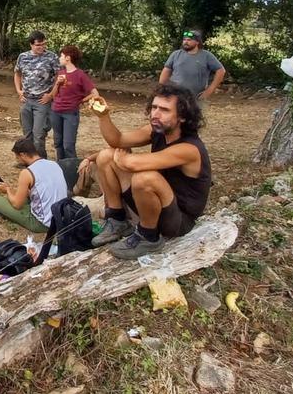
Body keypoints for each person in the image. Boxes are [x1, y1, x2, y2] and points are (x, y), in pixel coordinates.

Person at [78, 83, 212, 260]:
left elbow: (133, 164)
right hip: (155, 204)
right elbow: (117, 140)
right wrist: (103, 116)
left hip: (177, 220)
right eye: (154, 107)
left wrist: (125, 160)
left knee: (145, 178)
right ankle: (117, 220)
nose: (155, 114)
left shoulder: (189, 149)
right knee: (105, 157)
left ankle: (148, 236)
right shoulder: (157, 131)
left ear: (182, 117)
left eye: (164, 110)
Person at [0, 136, 69, 234]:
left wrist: (7, 190)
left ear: (23, 155)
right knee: (24, 197)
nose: (17, 160)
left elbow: (17, 204)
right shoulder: (54, 164)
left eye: (17, 157)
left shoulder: (27, 173)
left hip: (43, 224)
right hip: (62, 219)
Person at [14, 30, 58, 160]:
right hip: (27, 100)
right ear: (31, 45)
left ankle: (41, 160)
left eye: (44, 44)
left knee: (39, 134)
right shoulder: (23, 57)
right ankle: (28, 161)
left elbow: (58, 77)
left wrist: (51, 95)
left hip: (42, 101)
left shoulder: (51, 57)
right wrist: (19, 91)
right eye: (38, 45)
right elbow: (17, 73)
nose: (42, 47)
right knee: (27, 134)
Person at [50, 44, 98, 161]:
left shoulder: (80, 75)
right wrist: (57, 84)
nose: (59, 58)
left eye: (61, 56)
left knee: (68, 145)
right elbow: (53, 95)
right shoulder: (61, 73)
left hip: (70, 113)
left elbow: (95, 93)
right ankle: (61, 168)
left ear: (68, 58)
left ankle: (73, 171)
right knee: (58, 143)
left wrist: (81, 100)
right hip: (56, 111)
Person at [159, 29, 226, 103]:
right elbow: (165, 72)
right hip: (176, 97)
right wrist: (162, 90)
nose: (186, 42)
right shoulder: (176, 54)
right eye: (184, 40)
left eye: (189, 40)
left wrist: (209, 90)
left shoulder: (206, 56)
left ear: (197, 42)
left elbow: (221, 71)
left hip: (197, 98)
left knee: (196, 114)